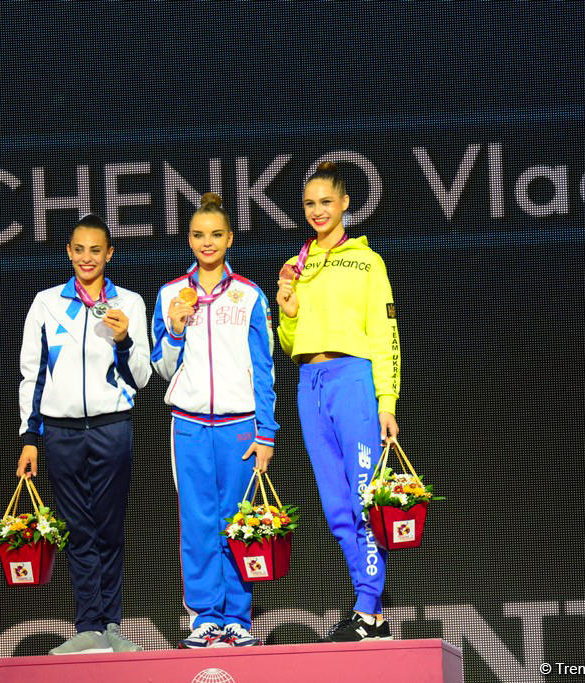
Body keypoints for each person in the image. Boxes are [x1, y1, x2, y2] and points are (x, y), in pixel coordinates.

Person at [276, 161, 401, 643]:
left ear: (346, 203)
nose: (318, 211)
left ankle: (367, 607)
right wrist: (288, 311)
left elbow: (385, 335)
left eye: (326, 202)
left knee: (364, 500)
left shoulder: (367, 261)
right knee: (335, 509)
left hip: (353, 381)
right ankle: (371, 614)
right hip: (310, 382)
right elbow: (290, 342)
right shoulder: (298, 265)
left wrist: (386, 402)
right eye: (310, 204)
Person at [17, 214, 152, 655]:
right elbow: (33, 374)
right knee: (78, 530)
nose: (87, 258)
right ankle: (88, 626)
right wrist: (30, 437)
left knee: (109, 528)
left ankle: (111, 623)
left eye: (96, 250)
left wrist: (125, 339)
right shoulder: (47, 303)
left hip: (112, 427)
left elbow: (141, 378)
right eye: (79, 249)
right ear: (69, 252)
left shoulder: (128, 303)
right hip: (61, 431)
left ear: (109, 253)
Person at [152, 192, 279, 649]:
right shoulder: (170, 294)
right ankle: (205, 617)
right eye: (199, 235)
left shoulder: (249, 295)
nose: (207, 242)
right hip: (188, 425)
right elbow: (162, 368)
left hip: (240, 425)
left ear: (230, 239)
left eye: (216, 235)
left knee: (237, 523)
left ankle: (238, 618)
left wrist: (267, 432)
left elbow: (263, 369)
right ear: (189, 239)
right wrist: (174, 329)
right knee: (197, 521)